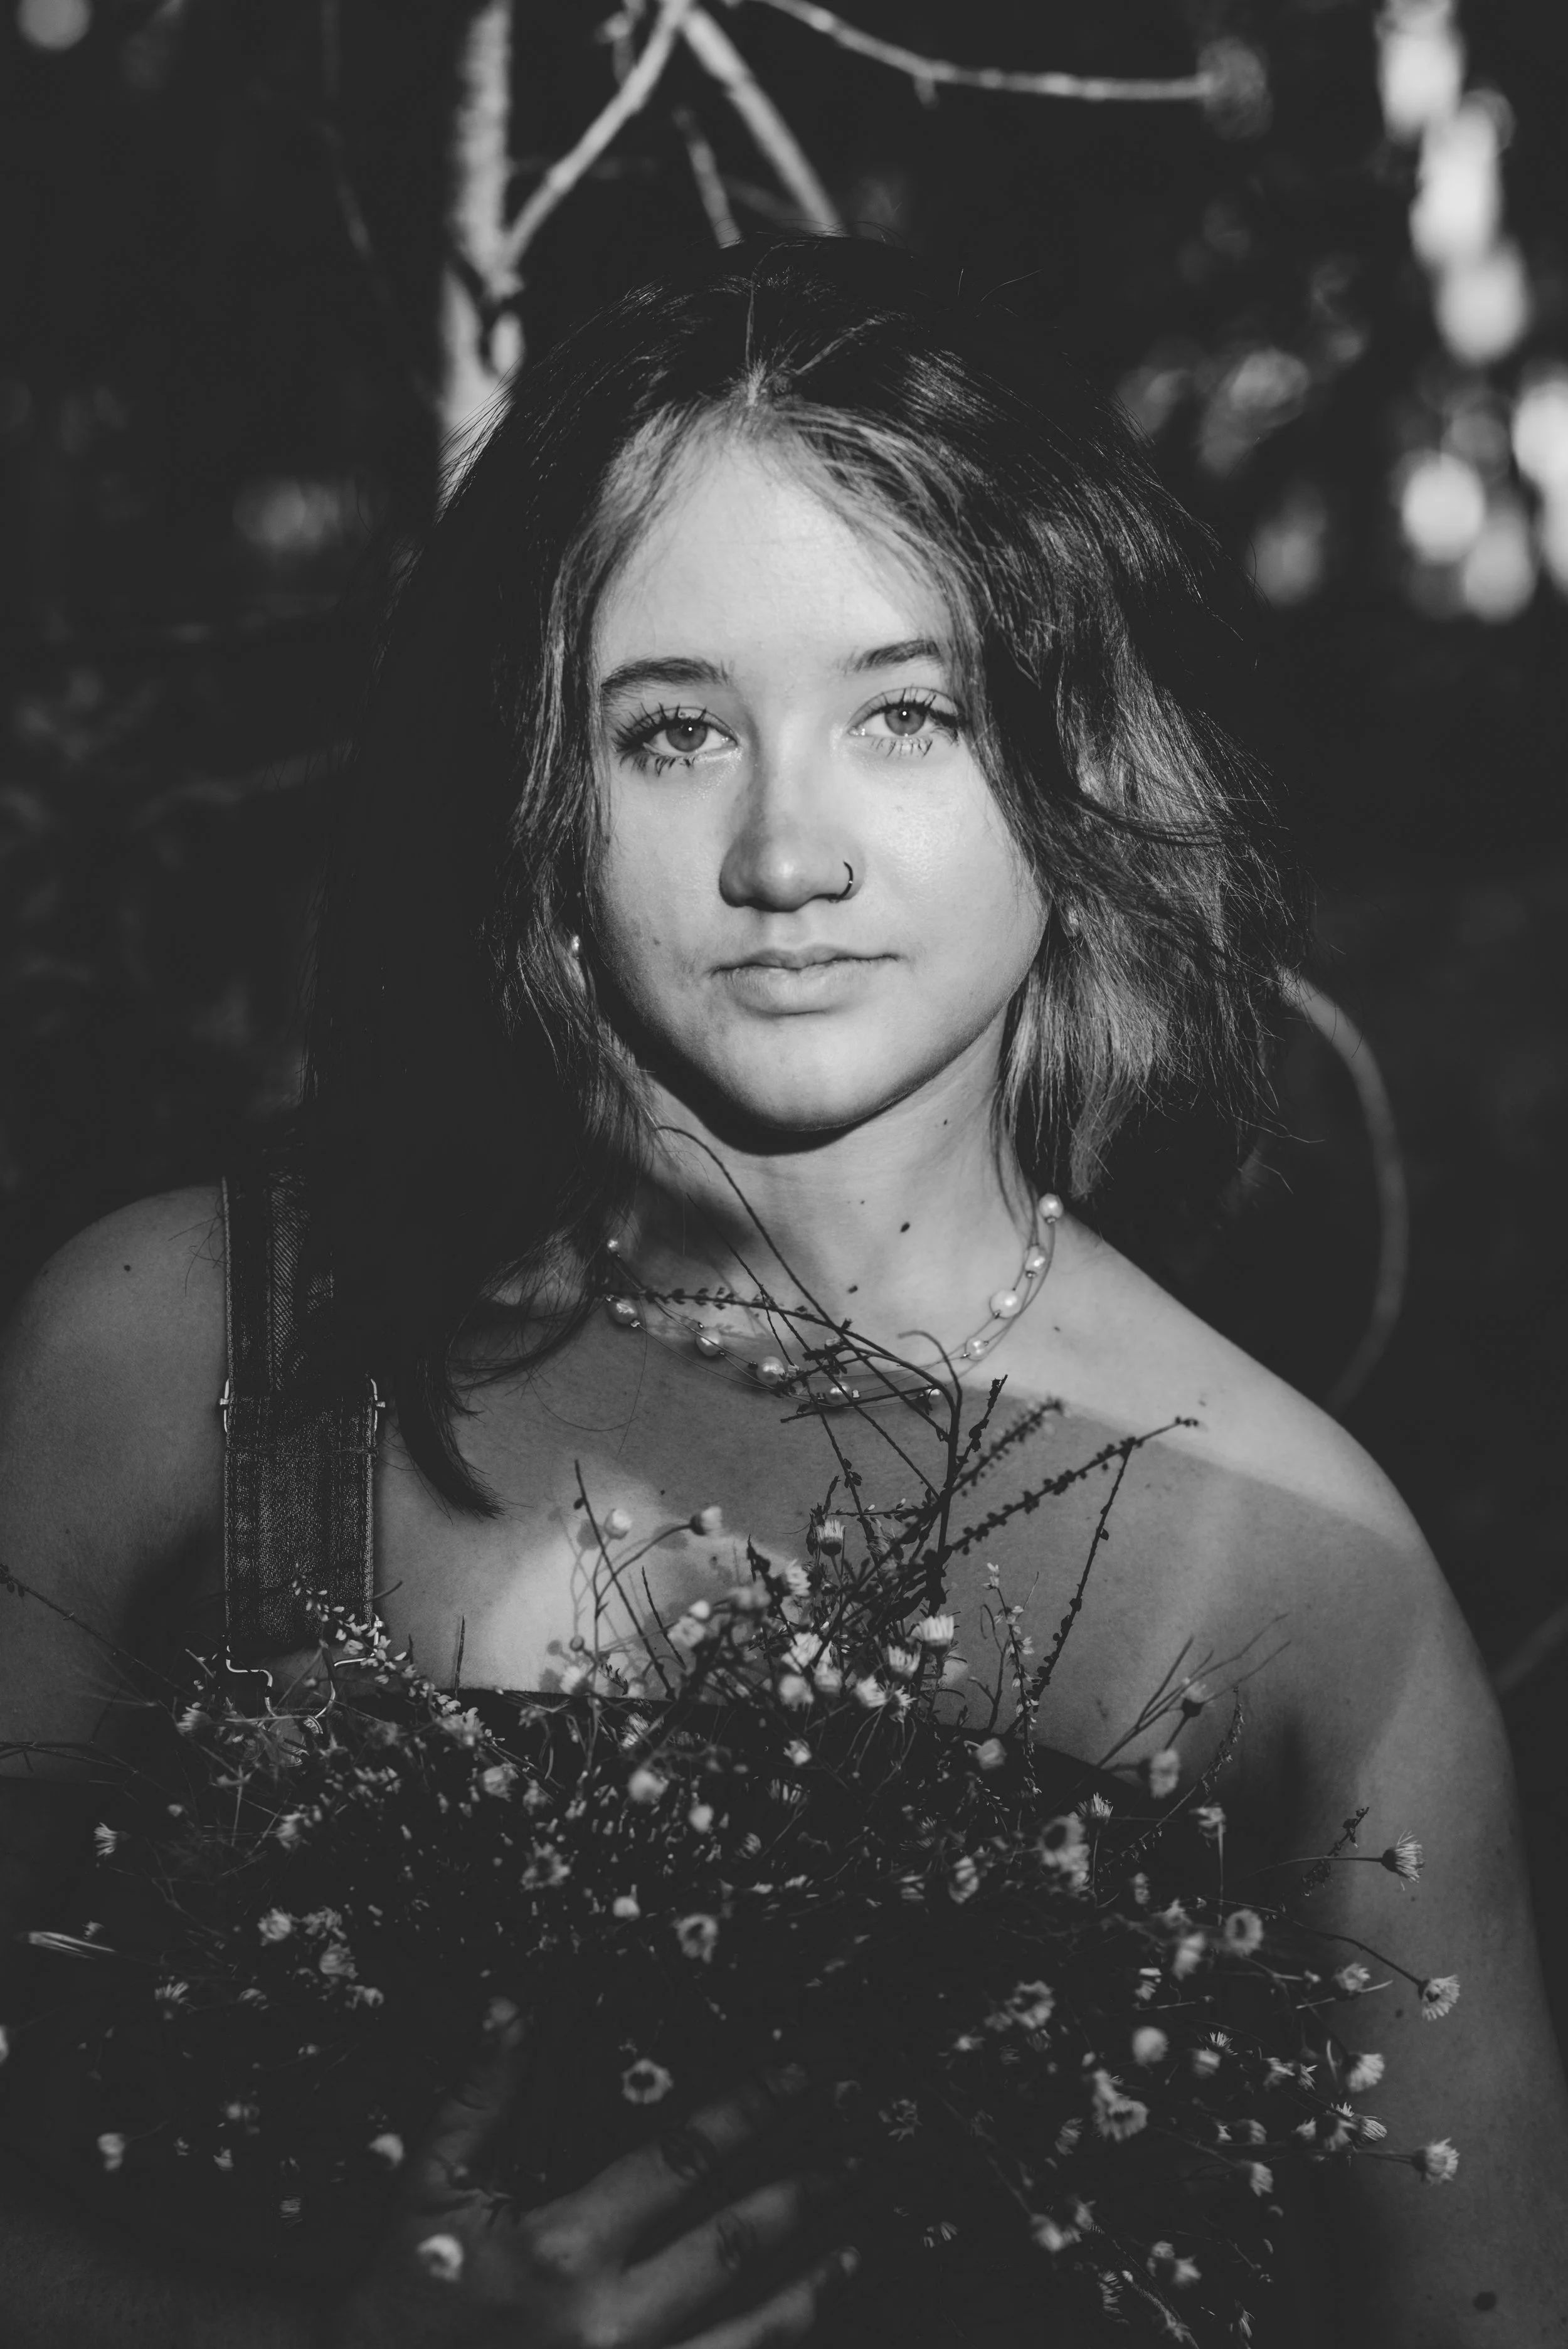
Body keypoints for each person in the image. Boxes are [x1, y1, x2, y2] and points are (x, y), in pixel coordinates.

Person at [1, 236, 1563, 2346]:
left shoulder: (1300, 1578)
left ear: (1074, 752)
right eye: (670, 735)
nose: (784, 851)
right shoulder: (188, 1349)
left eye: (906, 713)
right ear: (531, 794)